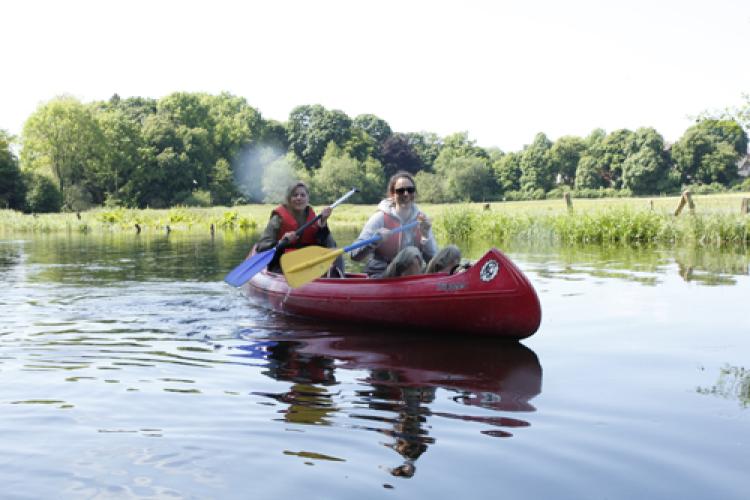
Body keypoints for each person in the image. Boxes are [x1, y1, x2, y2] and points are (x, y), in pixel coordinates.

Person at [351, 171, 437, 278]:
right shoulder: (380, 218)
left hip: (412, 275)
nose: (406, 194)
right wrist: (373, 241)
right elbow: (354, 255)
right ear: (393, 194)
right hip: (382, 275)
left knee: (452, 252)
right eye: (400, 191)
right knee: (411, 253)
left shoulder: (421, 219)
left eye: (410, 190)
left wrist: (425, 237)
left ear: (414, 193)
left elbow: (433, 261)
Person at [254, 181, 343, 276]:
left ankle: (340, 282)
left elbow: (330, 247)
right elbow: (262, 248)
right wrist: (283, 242)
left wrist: (323, 223)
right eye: (295, 195)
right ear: (288, 199)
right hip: (282, 264)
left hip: (309, 263)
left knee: (337, 254)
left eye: (302, 195)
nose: (299, 198)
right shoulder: (278, 219)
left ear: (308, 198)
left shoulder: (314, 219)